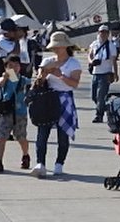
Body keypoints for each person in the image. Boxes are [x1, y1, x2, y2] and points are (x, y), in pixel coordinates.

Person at [30, 31, 83, 178]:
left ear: (66, 47)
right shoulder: (47, 61)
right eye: (54, 47)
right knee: (42, 131)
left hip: (65, 98)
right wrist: (44, 75)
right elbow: (37, 83)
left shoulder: (73, 63)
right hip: (47, 98)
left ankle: (59, 163)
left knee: (63, 134)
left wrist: (60, 74)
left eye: (58, 47)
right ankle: (40, 163)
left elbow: (74, 84)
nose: (56, 50)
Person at [0, 54, 31, 173]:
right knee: (1, 137)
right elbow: (0, 83)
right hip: (6, 112)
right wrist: (6, 76)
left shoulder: (23, 80)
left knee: (21, 137)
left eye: (16, 65)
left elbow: (31, 85)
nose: (14, 68)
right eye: (10, 66)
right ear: (5, 67)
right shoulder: (4, 78)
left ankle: (25, 155)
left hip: (20, 112)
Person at [88, 24, 120, 122]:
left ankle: (99, 115)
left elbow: (114, 60)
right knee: (94, 96)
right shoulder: (94, 44)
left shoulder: (111, 46)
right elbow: (90, 54)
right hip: (96, 73)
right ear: (98, 33)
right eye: (101, 32)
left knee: (100, 96)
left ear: (108, 34)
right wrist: (91, 61)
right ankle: (105, 107)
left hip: (105, 73)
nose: (103, 34)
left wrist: (115, 73)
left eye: (105, 32)